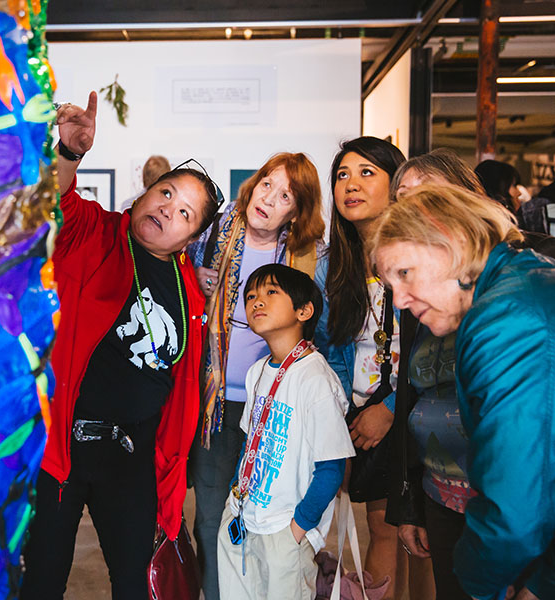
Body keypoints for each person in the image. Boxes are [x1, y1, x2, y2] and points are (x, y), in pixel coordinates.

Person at [19, 91, 219, 599]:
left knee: (136, 584)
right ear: (147, 191)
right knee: (41, 583)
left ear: (190, 237)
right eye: (168, 193)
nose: (169, 209)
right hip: (62, 447)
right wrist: (68, 153)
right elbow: (57, 202)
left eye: (186, 213)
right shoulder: (96, 231)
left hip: (130, 456)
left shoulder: (188, 286)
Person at [371, 183, 554, 600]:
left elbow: (516, 509)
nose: (399, 299)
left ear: (449, 243)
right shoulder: (515, 283)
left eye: (404, 273)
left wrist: (475, 584)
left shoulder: (506, 318)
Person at [187, 153, 326, 600]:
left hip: (274, 404)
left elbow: (318, 330)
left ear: (296, 211)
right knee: (211, 518)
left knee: (270, 519)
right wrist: (192, 274)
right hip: (216, 405)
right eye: (268, 183)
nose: (269, 197)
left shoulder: (306, 258)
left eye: (286, 195)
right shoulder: (210, 233)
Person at [216, 264, 354, 600]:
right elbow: (251, 442)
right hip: (242, 517)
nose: (257, 302)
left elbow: (331, 467)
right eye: (251, 296)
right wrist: (235, 502)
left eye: (270, 292)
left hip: (286, 529)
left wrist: (298, 529)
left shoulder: (315, 378)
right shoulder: (256, 372)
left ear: (304, 310)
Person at [319, 136, 414, 599]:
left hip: (412, 412)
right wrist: (339, 424)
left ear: (395, 183)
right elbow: (325, 350)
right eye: (341, 175)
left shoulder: (418, 253)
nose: (350, 184)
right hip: (357, 416)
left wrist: (393, 407)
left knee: (412, 535)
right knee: (383, 530)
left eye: (365, 173)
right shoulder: (331, 266)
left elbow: (436, 353)